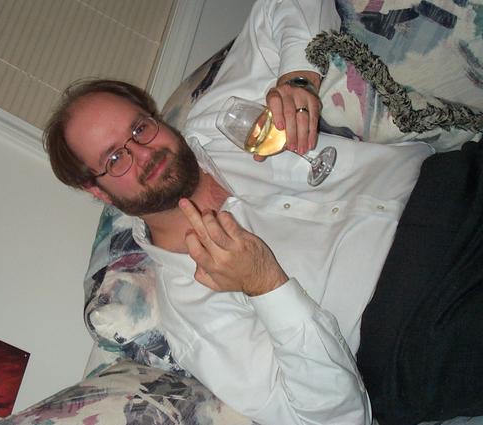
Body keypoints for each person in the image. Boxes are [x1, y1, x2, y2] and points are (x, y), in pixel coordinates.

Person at [44, 1, 483, 424]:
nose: (143, 152)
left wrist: (298, 78)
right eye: (115, 158)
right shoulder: (192, 308)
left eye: (140, 128)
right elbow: (333, 418)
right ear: (97, 190)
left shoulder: (218, 121)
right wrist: (265, 285)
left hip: (453, 185)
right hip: (417, 324)